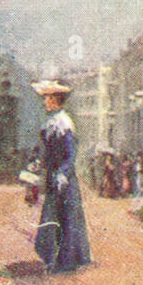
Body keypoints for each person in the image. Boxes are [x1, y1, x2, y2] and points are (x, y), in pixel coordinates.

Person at [32, 80, 93, 272]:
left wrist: (63, 173)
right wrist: (38, 162)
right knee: (52, 215)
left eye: (47, 98)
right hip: (52, 175)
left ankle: (66, 261)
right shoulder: (50, 122)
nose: (44, 102)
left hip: (63, 179)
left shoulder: (64, 122)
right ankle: (52, 258)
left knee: (65, 217)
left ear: (55, 100)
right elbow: (47, 150)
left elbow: (71, 152)